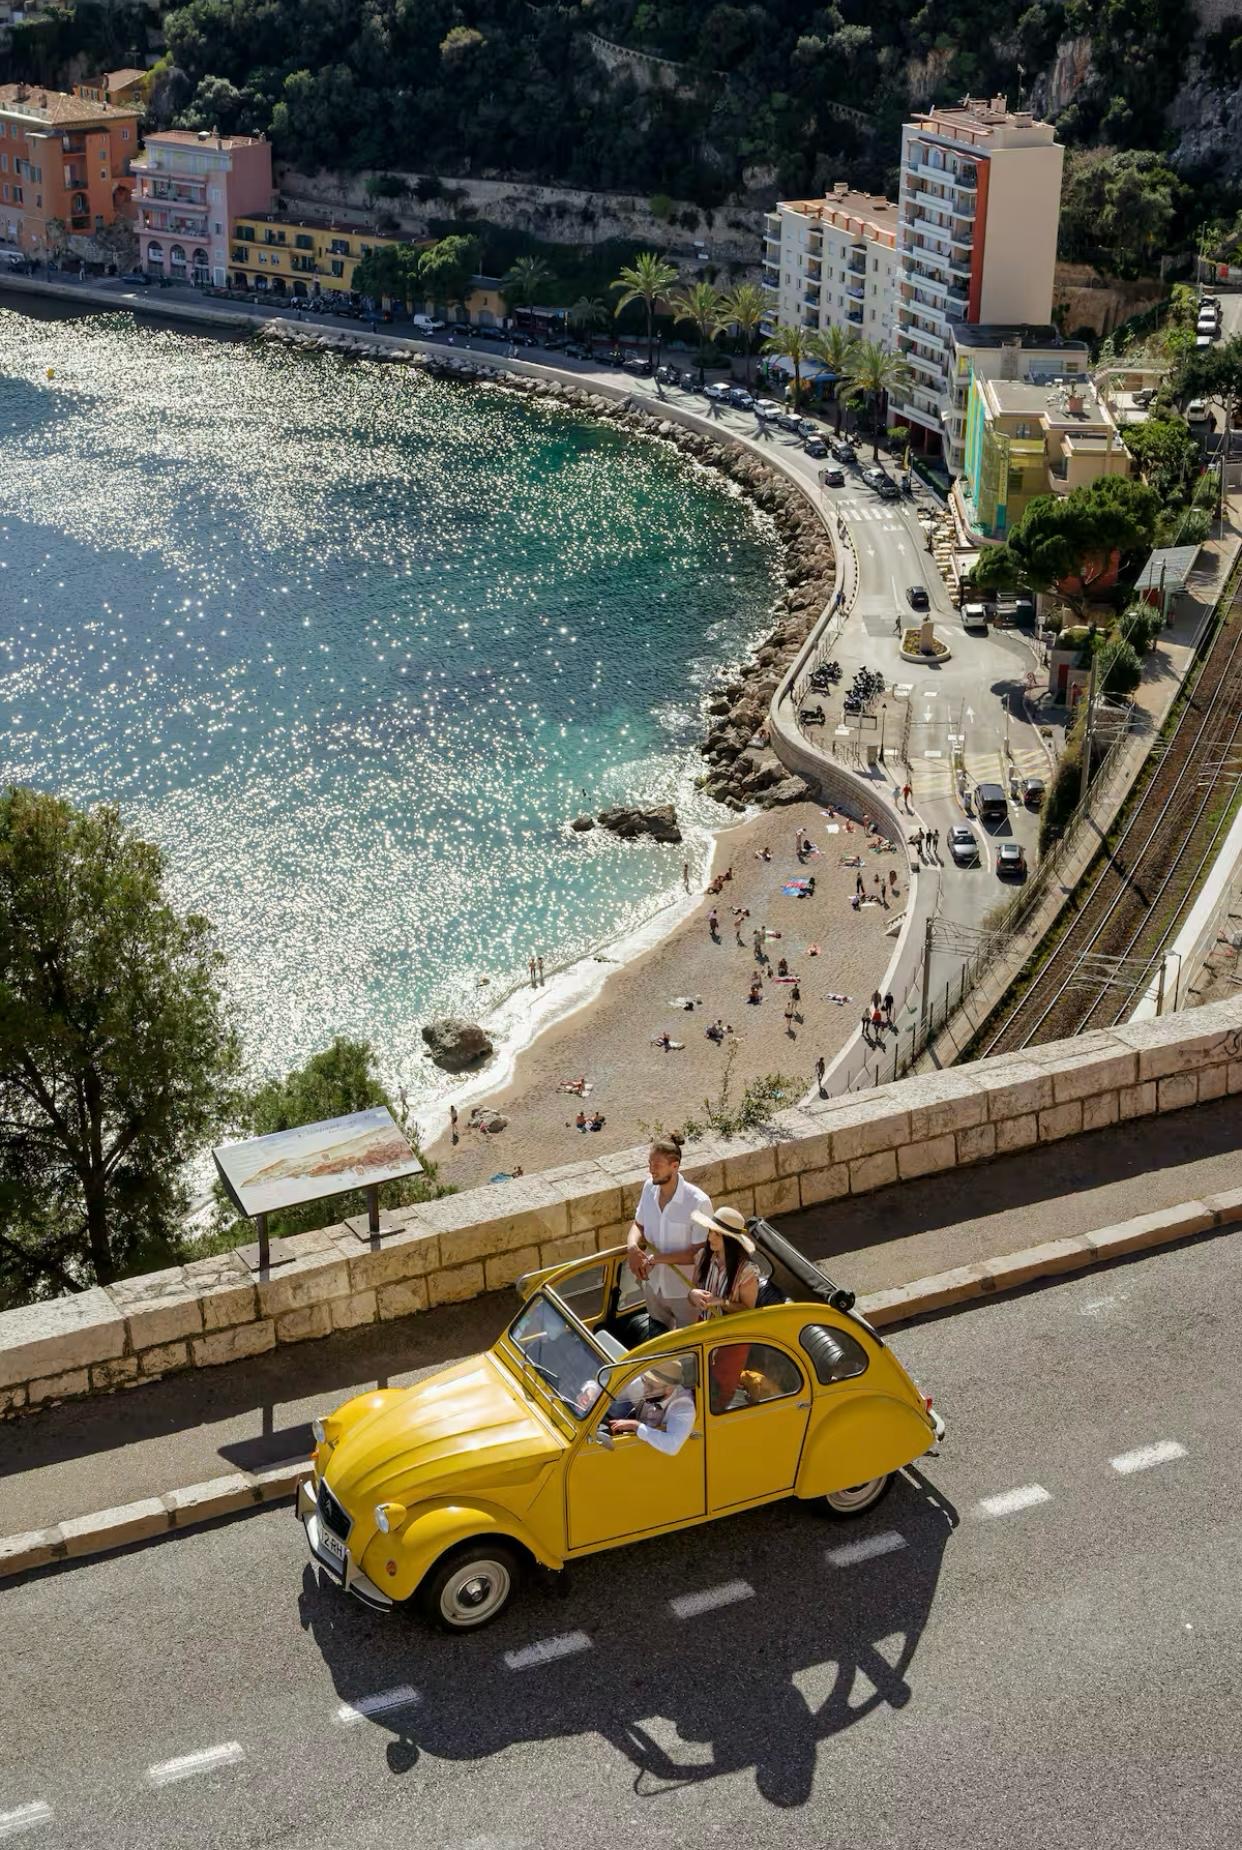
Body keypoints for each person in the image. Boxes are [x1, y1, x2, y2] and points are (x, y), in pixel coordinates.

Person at [626, 1136, 710, 1331]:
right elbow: (638, 1224)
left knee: (687, 1344)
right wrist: (632, 1247)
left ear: (675, 1166)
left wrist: (655, 1259)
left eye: (657, 1165)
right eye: (650, 1163)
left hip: (685, 1293)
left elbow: (698, 1254)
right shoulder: (648, 1187)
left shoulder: (698, 1202)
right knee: (656, 1337)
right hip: (653, 1285)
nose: (651, 1169)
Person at [606, 1356, 696, 1455]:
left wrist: (635, 1426)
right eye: (645, 1382)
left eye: (652, 1386)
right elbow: (608, 1391)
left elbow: (672, 1445)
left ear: (669, 1389)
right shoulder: (642, 1384)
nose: (645, 1389)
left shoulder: (683, 1405)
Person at [688, 1206, 761, 1318]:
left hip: (730, 1328)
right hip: (705, 1324)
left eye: (717, 1234)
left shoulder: (747, 1271)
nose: (710, 1238)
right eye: (710, 1231)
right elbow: (694, 1291)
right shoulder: (702, 1256)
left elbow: (748, 1311)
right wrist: (692, 1295)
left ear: (730, 1240)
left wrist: (722, 1302)